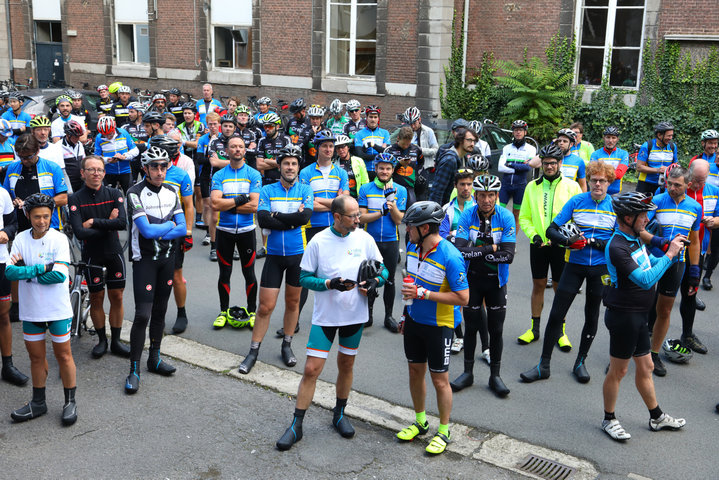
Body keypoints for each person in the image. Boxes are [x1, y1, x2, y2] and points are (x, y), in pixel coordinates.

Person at [276, 195, 387, 451]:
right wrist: (329, 284)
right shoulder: (319, 241)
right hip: (326, 317)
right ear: (337, 217)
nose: (359, 219)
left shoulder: (365, 239)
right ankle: (296, 425)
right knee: (311, 370)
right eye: (353, 216)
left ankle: (339, 414)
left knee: (346, 364)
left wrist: (375, 282)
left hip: (354, 315)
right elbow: (303, 278)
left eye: (359, 214)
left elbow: (384, 271)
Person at [520, 160, 616, 384]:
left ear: (609, 182)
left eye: (602, 181)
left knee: (591, 315)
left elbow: (618, 240)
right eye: (594, 180)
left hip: (600, 269)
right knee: (556, 313)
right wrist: (566, 241)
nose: (598, 184)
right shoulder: (576, 201)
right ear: (589, 181)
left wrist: (592, 241)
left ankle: (580, 362)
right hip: (574, 265)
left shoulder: (615, 207)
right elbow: (551, 229)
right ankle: (543, 364)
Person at [601, 191, 686, 441]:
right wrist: (670, 254)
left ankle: (656, 416)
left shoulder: (636, 239)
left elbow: (650, 264)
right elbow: (647, 279)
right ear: (628, 217)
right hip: (623, 316)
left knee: (647, 366)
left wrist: (669, 250)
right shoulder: (617, 246)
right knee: (619, 371)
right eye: (643, 214)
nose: (648, 218)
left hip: (638, 315)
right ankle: (609, 419)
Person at [396, 201, 468, 455]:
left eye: (411, 226)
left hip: (440, 325)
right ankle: (420, 421)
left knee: (440, 380)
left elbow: (463, 298)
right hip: (414, 320)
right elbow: (411, 287)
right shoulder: (414, 249)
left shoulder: (450, 255)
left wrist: (424, 294)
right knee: (415, 372)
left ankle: (444, 430)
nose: (407, 230)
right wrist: (406, 313)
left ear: (425, 228)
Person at [238, 145, 313, 374]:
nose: (290, 167)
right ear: (279, 166)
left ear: (298, 167)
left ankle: (287, 345)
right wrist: (291, 220)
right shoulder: (268, 190)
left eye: (294, 163)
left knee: (292, 304)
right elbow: (263, 220)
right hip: (274, 257)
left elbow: (305, 217)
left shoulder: (306, 190)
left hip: (297, 256)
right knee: (265, 307)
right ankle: (253, 351)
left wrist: (277, 215)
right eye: (286, 163)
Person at [6, 193, 77, 425]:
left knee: (64, 355)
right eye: (37, 216)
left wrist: (28, 272)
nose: (42, 221)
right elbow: (9, 272)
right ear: (28, 215)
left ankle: (70, 402)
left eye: (46, 216)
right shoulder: (19, 240)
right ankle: (38, 403)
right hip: (32, 311)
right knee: (35, 358)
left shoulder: (59, 239)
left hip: (57, 310)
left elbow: (58, 275)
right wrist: (41, 268)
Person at [124, 146, 187, 394]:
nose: (160, 171)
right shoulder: (134, 193)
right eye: (154, 167)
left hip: (168, 258)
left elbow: (183, 229)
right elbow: (146, 232)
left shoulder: (172, 191)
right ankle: (134, 368)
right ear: (145, 168)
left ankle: (155, 359)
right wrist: (169, 224)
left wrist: (163, 227)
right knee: (142, 315)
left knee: (161, 311)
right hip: (145, 260)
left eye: (163, 166)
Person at [449, 175, 515, 397]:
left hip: (497, 282)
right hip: (473, 280)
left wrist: (476, 253)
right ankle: (468, 373)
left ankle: (495, 376)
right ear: (475, 196)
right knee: (471, 327)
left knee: (496, 329)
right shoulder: (468, 214)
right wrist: (489, 250)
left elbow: (508, 256)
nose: (487, 200)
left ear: (497, 196)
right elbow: (458, 252)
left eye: (491, 195)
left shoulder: (505, 216)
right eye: (482, 195)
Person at [516, 143, 580, 348]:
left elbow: (578, 217)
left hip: (562, 246)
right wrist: (534, 236)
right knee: (539, 285)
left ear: (561, 163)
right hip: (539, 245)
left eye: (553, 163)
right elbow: (524, 217)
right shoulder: (531, 186)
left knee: (560, 289)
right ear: (541, 164)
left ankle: (560, 331)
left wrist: (567, 238)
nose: (549, 167)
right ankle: (534, 329)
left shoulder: (572, 187)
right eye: (545, 164)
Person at [67, 155, 130, 359]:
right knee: (96, 297)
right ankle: (102, 340)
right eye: (91, 170)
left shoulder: (114, 193)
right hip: (92, 254)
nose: (96, 173)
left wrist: (93, 221)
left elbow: (121, 223)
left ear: (104, 172)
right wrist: (106, 224)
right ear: (82, 173)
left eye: (100, 170)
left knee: (117, 296)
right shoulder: (75, 198)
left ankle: (116, 341)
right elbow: (79, 233)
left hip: (113, 252)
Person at [644, 165, 702, 376]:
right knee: (640, 307)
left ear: (688, 185)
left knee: (665, 310)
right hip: (651, 260)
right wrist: (658, 241)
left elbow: (695, 242)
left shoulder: (695, 207)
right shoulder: (657, 201)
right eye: (669, 183)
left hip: (677, 263)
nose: (671, 188)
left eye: (677, 185)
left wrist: (694, 271)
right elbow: (639, 230)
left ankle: (654, 353)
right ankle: (629, 350)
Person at [296, 130, 349, 321]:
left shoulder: (341, 172)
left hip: (336, 229)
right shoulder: (305, 172)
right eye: (324, 146)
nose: (328, 149)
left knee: (336, 273)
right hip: (312, 228)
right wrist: (334, 203)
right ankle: (294, 320)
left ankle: (337, 317)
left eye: (331, 146)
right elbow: (307, 203)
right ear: (317, 148)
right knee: (306, 275)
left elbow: (344, 202)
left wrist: (320, 200)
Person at [210, 136, 261, 330]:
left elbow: (255, 205)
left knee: (249, 273)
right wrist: (242, 199)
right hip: (224, 230)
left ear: (245, 150)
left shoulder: (254, 174)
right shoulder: (219, 175)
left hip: (247, 230)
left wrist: (229, 204)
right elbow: (215, 204)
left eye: (240, 146)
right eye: (233, 146)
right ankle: (223, 311)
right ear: (227, 150)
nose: (237, 149)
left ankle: (252, 311)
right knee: (225, 272)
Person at [147, 135, 195, 334]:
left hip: (174, 231)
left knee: (176, 275)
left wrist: (189, 231)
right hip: (152, 230)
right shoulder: (147, 172)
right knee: (154, 277)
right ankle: (157, 316)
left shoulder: (180, 174)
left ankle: (181, 313)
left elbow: (189, 205)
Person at [358, 152, 407, 332]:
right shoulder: (365, 188)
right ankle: (368, 315)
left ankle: (388, 316)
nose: (384, 171)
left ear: (393, 170)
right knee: (368, 277)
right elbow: (362, 218)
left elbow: (399, 220)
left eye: (388, 168)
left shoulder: (400, 190)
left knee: (390, 280)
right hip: (370, 241)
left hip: (391, 241)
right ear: (375, 169)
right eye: (381, 168)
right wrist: (380, 212)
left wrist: (391, 203)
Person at [439, 168, 476, 355]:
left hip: (475, 262)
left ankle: (475, 338)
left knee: (475, 302)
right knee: (456, 300)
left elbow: (480, 238)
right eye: (462, 184)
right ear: (456, 186)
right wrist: (462, 237)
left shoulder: (479, 207)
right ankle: (458, 337)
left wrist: (456, 236)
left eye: (469, 184)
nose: (466, 188)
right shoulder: (447, 209)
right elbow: (443, 235)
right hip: (454, 261)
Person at [0, 183, 27, 386]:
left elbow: (12, 223)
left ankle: (7, 366)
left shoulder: (2, 194)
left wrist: (6, 233)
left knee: (3, 315)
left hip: (1, 262)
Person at [205, 114, 240, 261]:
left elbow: (242, 161)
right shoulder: (214, 142)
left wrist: (223, 161)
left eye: (230, 126)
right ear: (221, 126)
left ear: (234, 128)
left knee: (234, 213)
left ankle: (233, 248)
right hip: (218, 181)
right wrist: (233, 161)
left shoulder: (238, 142)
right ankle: (214, 247)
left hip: (236, 180)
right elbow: (213, 163)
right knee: (215, 216)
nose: (227, 128)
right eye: (225, 125)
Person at [497, 120, 535, 227]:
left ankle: (512, 240)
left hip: (520, 186)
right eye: (516, 130)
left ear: (525, 132)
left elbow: (527, 167)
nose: (518, 132)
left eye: (521, 130)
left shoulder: (530, 149)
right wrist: (518, 168)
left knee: (516, 214)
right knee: (498, 211)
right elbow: (500, 167)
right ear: (513, 132)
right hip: (506, 184)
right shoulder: (506, 148)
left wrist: (510, 164)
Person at [694, 130, 719, 289]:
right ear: (703, 143)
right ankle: (693, 279)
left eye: (716, 143)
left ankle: (707, 277)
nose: (713, 146)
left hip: (717, 205)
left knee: (716, 245)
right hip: (702, 204)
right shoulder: (696, 160)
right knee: (698, 243)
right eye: (710, 142)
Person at [429, 128, 477, 206]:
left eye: (474, 141)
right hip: (444, 209)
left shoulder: (463, 158)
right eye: (469, 140)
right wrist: (436, 213)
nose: (472, 144)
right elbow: (437, 191)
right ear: (460, 141)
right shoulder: (450, 160)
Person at [94, 116, 138, 193]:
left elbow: (135, 150)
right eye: (105, 135)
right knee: (109, 197)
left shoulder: (123, 133)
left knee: (130, 195)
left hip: (125, 171)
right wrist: (107, 160)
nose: (108, 137)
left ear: (114, 128)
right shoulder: (99, 138)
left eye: (110, 134)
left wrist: (125, 156)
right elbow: (96, 157)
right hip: (109, 172)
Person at [385, 126, 424, 207]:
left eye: (408, 144)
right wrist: (399, 164)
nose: (406, 146)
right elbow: (385, 170)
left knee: (412, 210)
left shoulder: (416, 149)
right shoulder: (389, 150)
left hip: (410, 187)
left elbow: (421, 162)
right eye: (403, 144)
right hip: (394, 187)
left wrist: (417, 175)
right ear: (398, 138)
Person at [636, 122, 678, 194]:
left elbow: (675, 165)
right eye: (668, 136)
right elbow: (639, 167)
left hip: (665, 184)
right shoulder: (647, 146)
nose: (670, 138)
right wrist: (658, 170)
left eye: (671, 136)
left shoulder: (672, 147)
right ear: (659, 135)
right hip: (646, 183)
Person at [353, 105, 390, 179]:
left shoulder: (385, 133)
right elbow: (360, 154)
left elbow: (386, 152)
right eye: (370, 117)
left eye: (375, 117)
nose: (373, 120)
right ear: (366, 118)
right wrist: (379, 154)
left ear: (378, 118)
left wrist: (372, 145)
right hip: (365, 170)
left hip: (381, 171)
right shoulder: (359, 134)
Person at [590, 126, 629, 195]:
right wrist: (614, 171)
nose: (610, 140)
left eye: (613, 138)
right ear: (604, 138)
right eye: (608, 137)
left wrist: (601, 173)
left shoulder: (623, 154)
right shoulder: (595, 154)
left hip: (615, 193)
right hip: (599, 192)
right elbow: (593, 173)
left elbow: (619, 174)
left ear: (617, 139)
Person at [334, 134, 369, 199]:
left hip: (358, 197)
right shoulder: (334, 164)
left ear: (348, 147)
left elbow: (365, 181)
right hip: (342, 198)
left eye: (343, 147)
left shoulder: (359, 161)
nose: (341, 150)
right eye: (338, 148)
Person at [60, 120, 87, 200]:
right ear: (68, 135)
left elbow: (84, 161)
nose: (78, 139)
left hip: (81, 180)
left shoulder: (79, 145)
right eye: (75, 137)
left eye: (79, 137)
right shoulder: (58, 147)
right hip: (69, 181)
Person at [556, 128, 587, 192]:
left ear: (571, 144)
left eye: (565, 141)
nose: (561, 143)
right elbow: (532, 163)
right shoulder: (552, 158)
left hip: (571, 197)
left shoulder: (579, 161)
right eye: (559, 141)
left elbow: (583, 185)